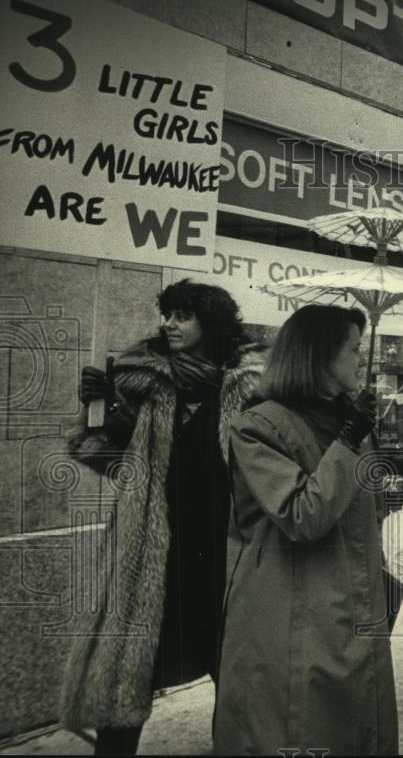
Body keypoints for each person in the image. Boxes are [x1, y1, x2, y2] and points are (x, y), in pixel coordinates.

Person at [61, 280, 266, 755]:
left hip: (226, 543)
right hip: (154, 542)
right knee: (129, 662)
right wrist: (101, 411)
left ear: (209, 321)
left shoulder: (249, 384)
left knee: (231, 662)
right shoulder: (144, 381)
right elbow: (104, 456)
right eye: (167, 315)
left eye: (182, 316)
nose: (169, 325)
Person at [213, 304, 397, 755]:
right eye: (353, 349)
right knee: (300, 728)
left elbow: (364, 512)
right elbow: (303, 516)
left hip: (354, 609)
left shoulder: (348, 418)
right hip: (293, 614)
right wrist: (350, 441)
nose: (361, 358)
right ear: (319, 355)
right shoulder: (257, 426)